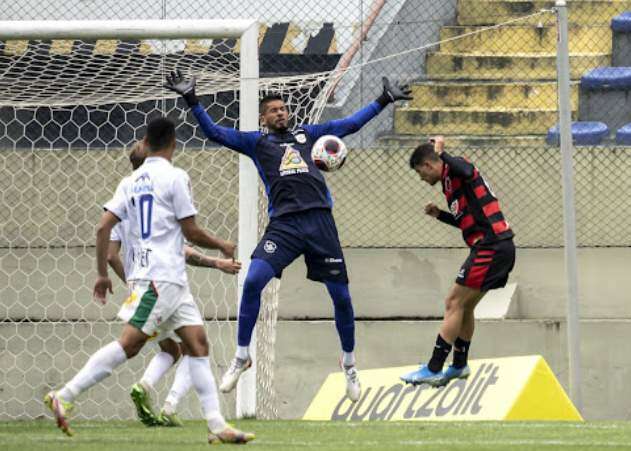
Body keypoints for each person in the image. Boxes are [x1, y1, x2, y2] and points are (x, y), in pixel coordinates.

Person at [165, 70, 412, 401]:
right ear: (264, 118)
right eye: (273, 110)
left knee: (341, 297)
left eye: (283, 108)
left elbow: (351, 124)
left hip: (320, 223)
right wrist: (191, 98)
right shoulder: (257, 142)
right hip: (284, 226)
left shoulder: (310, 136)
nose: (280, 112)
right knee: (253, 281)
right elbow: (214, 133)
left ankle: (349, 363)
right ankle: (242, 356)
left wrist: (385, 99)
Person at [45, 117, 254, 444]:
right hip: (160, 279)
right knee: (129, 345)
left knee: (197, 344)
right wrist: (222, 245)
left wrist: (102, 274)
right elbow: (191, 231)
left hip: (166, 280)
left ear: (146, 141)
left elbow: (102, 228)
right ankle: (65, 394)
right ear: (174, 143)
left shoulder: (131, 180)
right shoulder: (176, 177)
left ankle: (216, 424)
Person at [106, 141, 241, 427]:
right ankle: (168, 404)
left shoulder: (123, 200)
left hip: (139, 286)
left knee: (172, 349)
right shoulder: (157, 197)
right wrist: (218, 261)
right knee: (194, 347)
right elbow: (182, 248)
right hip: (161, 283)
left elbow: (110, 255)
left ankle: (146, 388)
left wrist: (132, 284)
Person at [400, 136, 515, 387]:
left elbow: (468, 169)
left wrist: (443, 154)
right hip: (496, 246)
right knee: (465, 307)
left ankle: (433, 368)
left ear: (430, 165)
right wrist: (440, 215)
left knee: (453, 301)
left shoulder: (456, 168)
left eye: (422, 174)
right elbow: (466, 220)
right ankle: (459, 365)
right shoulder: (450, 184)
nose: (423, 180)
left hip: (491, 246)